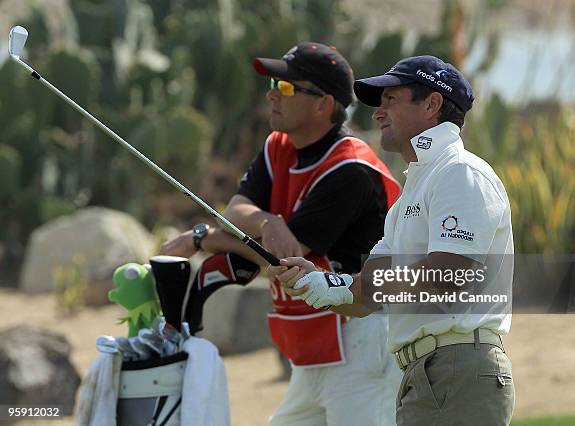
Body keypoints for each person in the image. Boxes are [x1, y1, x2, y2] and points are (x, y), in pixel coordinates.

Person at [160, 42, 403, 425]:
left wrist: (203, 239)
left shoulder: (350, 170)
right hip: (319, 342)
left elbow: (279, 255)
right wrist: (269, 221)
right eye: (275, 82)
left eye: (288, 87)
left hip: (363, 336)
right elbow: (235, 214)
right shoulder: (279, 146)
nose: (272, 93)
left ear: (323, 105)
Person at [270, 55, 515, 426]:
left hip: (456, 367)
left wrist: (345, 285)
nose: (377, 113)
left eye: (390, 100)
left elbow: (447, 275)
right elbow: (370, 294)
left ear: (432, 104)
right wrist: (322, 281)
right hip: (425, 372)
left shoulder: (458, 172)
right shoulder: (408, 197)